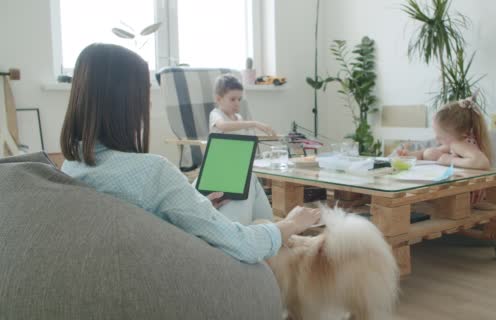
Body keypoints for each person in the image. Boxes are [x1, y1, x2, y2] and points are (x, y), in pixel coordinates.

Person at [59, 43, 319, 264]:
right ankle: (289, 244)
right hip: (203, 265)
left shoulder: (70, 167)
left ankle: (286, 243)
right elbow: (242, 245)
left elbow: (152, 214)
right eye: (145, 91)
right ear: (125, 101)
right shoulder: (153, 171)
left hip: (151, 248)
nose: (149, 102)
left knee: (238, 181)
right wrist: (292, 224)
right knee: (247, 182)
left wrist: (193, 199)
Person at [397, 94, 493, 171]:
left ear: (463, 133)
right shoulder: (454, 143)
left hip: (467, 192)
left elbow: (483, 162)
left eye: (441, 136)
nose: (436, 139)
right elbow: (425, 153)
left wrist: (449, 160)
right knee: (430, 152)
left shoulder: (461, 145)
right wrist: (410, 156)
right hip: (461, 187)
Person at [209, 74, 276, 136]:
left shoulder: (239, 118)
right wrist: (254, 124)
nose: (237, 103)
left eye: (239, 99)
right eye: (232, 99)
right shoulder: (216, 114)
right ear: (218, 99)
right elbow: (223, 126)